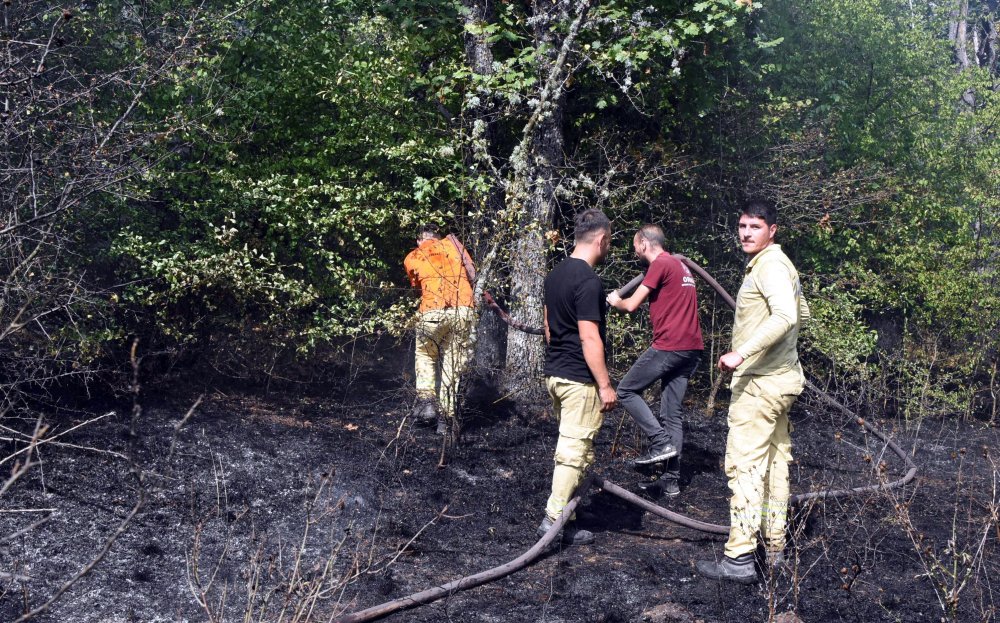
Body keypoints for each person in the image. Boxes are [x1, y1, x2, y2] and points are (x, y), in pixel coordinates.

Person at [696, 200, 810, 584]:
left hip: (761, 383)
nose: (745, 233)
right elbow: (802, 315)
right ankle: (775, 547)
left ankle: (740, 557)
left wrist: (741, 351)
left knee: (744, 466)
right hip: (782, 380)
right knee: (775, 465)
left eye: (755, 227)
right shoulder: (779, 265)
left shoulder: (771, 266)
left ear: (772, 230)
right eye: (742, 226)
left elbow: (787, 317)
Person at [537, 208, 617, 546]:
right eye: (609, 242)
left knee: (579, 448)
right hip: (578, 379)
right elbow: (589, 337)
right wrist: (605, 384)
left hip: (555, 375)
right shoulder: (588, 279)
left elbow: (547, 328)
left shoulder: (554, 275)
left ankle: (570, 512)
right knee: (573, 449)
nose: (609, 247)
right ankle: (553, 521)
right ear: (601, 240)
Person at [606, 225, 703, 497]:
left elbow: (631, 305)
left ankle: (660, 442)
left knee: (625, 390)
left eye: (635, 245)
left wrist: (616, 300)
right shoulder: (680, 266)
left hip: (671, 345)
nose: (634, 250)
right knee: (672, 414)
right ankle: (671, 481)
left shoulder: (660, 264)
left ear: (645, 244)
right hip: (691, 349)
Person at [403, 224, 477, 436]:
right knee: (452, 365)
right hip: (463, 309)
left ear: (420, 240)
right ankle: (445, 419)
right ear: (438, 236)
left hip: (432, 311)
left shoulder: (413, 256)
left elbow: (416, 285)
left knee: (425, 354)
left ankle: (427, 402)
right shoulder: (455, 245)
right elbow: (472, 271)